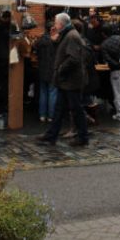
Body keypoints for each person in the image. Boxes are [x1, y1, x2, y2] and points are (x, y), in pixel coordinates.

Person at [37, 13, 89, 146]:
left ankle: (83, 137)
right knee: (59, 110)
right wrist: (55, 41)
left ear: (61, 24)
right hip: (65, 81)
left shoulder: (71, 36)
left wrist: (60, 69)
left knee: (76, 109)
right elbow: (62, 52)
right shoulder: (66, 35)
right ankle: (51, 135)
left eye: (55, 23)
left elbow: (73, 59)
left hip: (71, 81)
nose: (54, 25)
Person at [33, 23, 58, 122]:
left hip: (42, 69)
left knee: (43, 92)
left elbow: (35, 50)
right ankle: (51, 116)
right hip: (52, 69)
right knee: (52, 92)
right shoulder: (55, 41)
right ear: (52, 29)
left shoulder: (40, 40)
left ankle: (42, 115)